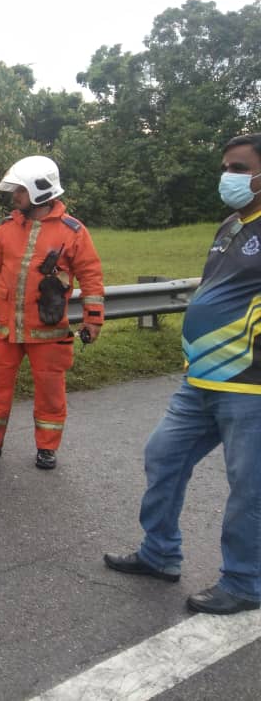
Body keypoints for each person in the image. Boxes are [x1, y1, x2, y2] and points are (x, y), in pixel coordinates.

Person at [104, 133, 261, 615]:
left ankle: (244, 581)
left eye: (238, 168)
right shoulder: (231, 225)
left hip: (249, 385)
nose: (227, 178)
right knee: (163, 456)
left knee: (249, 487)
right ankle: (160, 552)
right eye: (226, 168)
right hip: (201, 379)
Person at [0, 155, 104, 469]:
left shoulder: (73, 232)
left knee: (50, 393)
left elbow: (91, 275)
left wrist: (93, 317)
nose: (15, 196)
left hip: (48, 331)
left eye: (20, 191)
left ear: (40, 191)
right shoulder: (7, 230)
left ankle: (47, 447)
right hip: (4, 329)